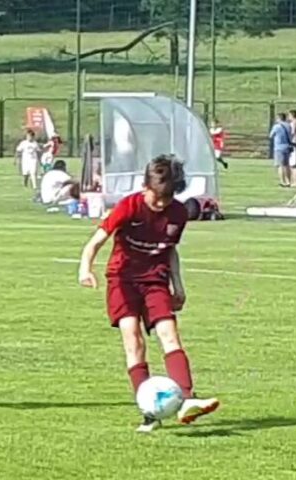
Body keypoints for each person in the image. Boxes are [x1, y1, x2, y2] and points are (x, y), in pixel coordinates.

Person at [78, 155, 219, 433]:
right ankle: (150, 411)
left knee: (170, 334)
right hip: (122, 280)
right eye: (157, 197)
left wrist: (178, 286)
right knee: (133, 339)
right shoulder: (128, 206)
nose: (161, 204)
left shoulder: (178, 214)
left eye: (168, 198)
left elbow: (170, 250)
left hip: (156, 280)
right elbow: (95, 242)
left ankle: (187, 399)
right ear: (145, 187)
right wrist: (85, 269)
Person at [269, 113, 293, 187]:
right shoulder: (288, 125)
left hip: (279, 147)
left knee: (280, 165)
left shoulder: (276, 126)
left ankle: (283, 181)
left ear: (279, 118)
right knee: (287, 165)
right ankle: (289, 181)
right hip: (287, 146)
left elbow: (271, 135)